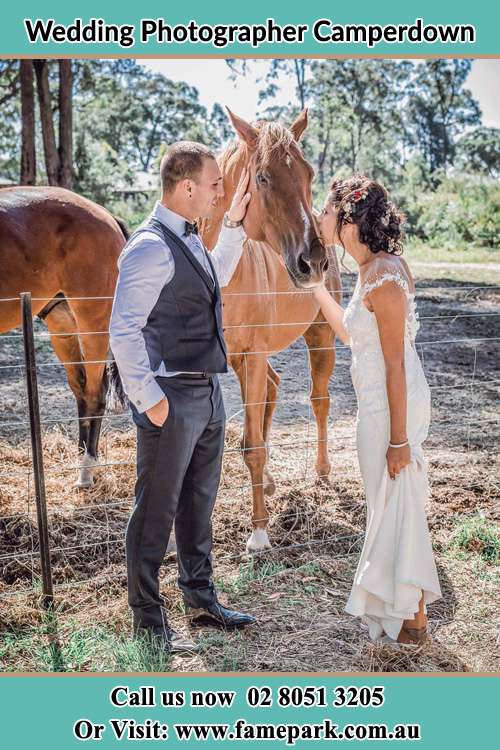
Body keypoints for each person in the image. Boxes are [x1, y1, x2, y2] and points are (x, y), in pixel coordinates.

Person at [110, 141, 256, 655]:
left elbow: (212, 275)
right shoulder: (149, 246)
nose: (220, 192)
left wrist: (234, 225)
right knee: (155, 511)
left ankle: (200, 598)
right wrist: (150, 400)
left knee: (199, 504)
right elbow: (123, 330)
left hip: (207, 391)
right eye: (216, 184)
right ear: (188, 187)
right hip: (170, 395)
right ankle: (148, 623)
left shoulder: (191, 238)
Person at [313, 175, 442, 645]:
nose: (319, 218)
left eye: (325, 211)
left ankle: (414, 621)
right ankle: (406, 614)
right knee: (389, 505)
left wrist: (399, 440)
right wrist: (314, 288)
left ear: (347, 219)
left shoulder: (386, 276)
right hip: (377, 404)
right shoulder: (370, 268)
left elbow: (395, 363)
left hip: (393, 407)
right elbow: (352, 335)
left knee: (396, 502)